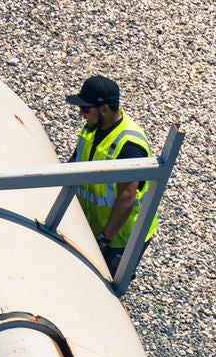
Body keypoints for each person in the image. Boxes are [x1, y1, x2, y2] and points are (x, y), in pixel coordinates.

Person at [67, 74, 159, 270]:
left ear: (105, 109)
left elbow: (127, 197)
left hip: (119, 239)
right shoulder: (92, 128)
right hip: (93, 226)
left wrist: (103, 240)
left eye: (85, 109)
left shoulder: (129, 146)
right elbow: (74, 163)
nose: (81, 114)